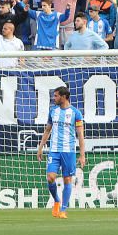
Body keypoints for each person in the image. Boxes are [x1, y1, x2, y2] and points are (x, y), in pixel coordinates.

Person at [36, 86, 86, 219]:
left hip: (68, 151)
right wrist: (40, 148)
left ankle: (63, 210)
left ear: (64, 97)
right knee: (50, 177)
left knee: (67, 180)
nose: (54, 98)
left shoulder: (76, 113)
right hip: (54, 151)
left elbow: (80, 135)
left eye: (56, 96)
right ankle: (57, 200)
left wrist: (82, 155)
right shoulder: (53, 111)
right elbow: (47, 130)